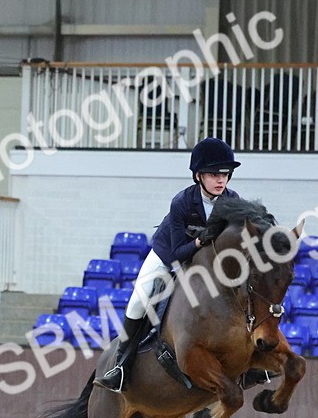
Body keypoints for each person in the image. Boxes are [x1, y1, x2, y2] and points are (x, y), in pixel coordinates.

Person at [95, 137, 241, 392]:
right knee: (139, 300)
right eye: (213, 174)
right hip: (168, 256)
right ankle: (121, 366)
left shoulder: (232, 200)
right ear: (198, 176)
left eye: (225, 174)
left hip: (205, 263)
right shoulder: (182, 202)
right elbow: (176, 254)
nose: (221, 180)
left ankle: (251, 362)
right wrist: (197, 243)